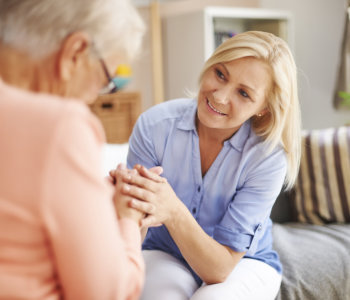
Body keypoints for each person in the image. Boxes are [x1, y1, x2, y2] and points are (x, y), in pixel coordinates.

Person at [114, 31, 301, 300]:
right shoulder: (154, 126)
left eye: (244, 93)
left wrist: (172, 209)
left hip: (243, 264)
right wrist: (123, 202)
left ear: (264, 108)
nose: (220, 96)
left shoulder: (267, 157)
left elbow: (220, 269)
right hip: (166, 252)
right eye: (220, 74)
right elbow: (134, 229)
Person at [0, 0, 147, 299]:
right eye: (106, 80)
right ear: (76, 51)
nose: (94, 97)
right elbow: (107, 292)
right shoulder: (60, 126)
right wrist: (126, 220)